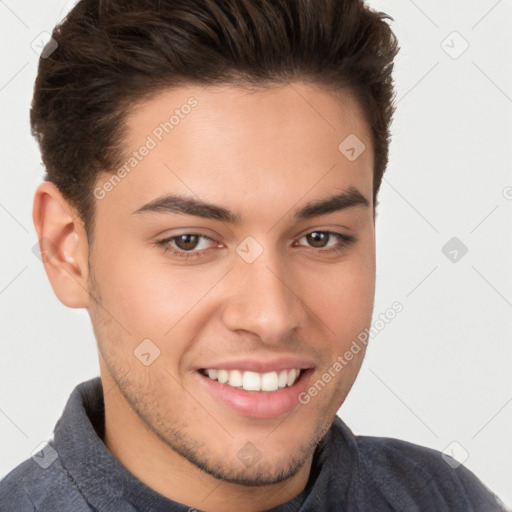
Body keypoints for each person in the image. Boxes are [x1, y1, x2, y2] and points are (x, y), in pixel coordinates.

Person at [0, 0, 508, 510]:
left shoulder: (447, 498)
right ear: (67, 250)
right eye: (189, 241)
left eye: (320, 237)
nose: (271, 316)